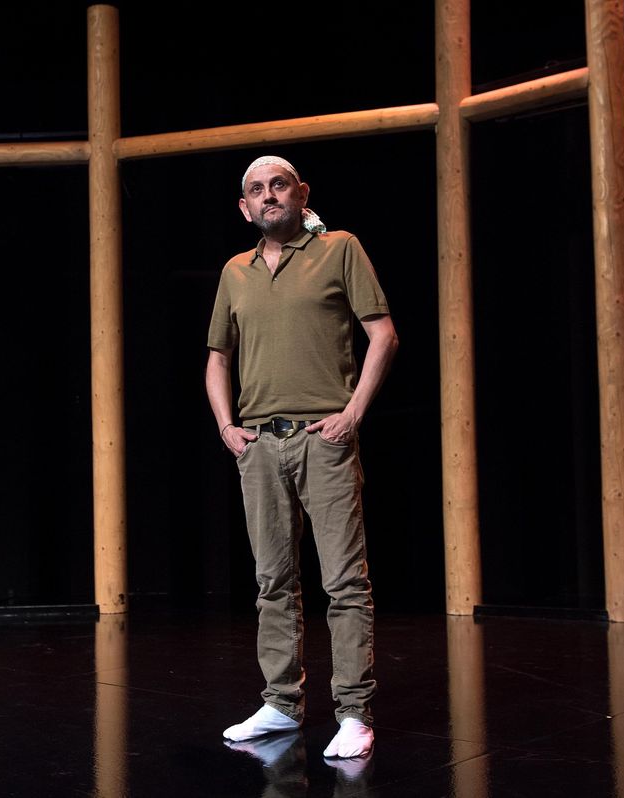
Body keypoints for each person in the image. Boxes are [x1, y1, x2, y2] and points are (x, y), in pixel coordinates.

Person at [206, 155, 398, 759]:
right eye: (256, 191)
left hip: (324, 440)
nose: (268, 196)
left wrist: (353, 413)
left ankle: (354, 713)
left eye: (278, 185)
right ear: (244, 208)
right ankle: (281, 704)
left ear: (301, 193)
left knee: (344, 582)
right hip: (260, 445)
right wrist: (227, 428)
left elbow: (384, 334)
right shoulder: (235, 271)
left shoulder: (339, 248)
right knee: (272, 583)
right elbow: (217, 357)